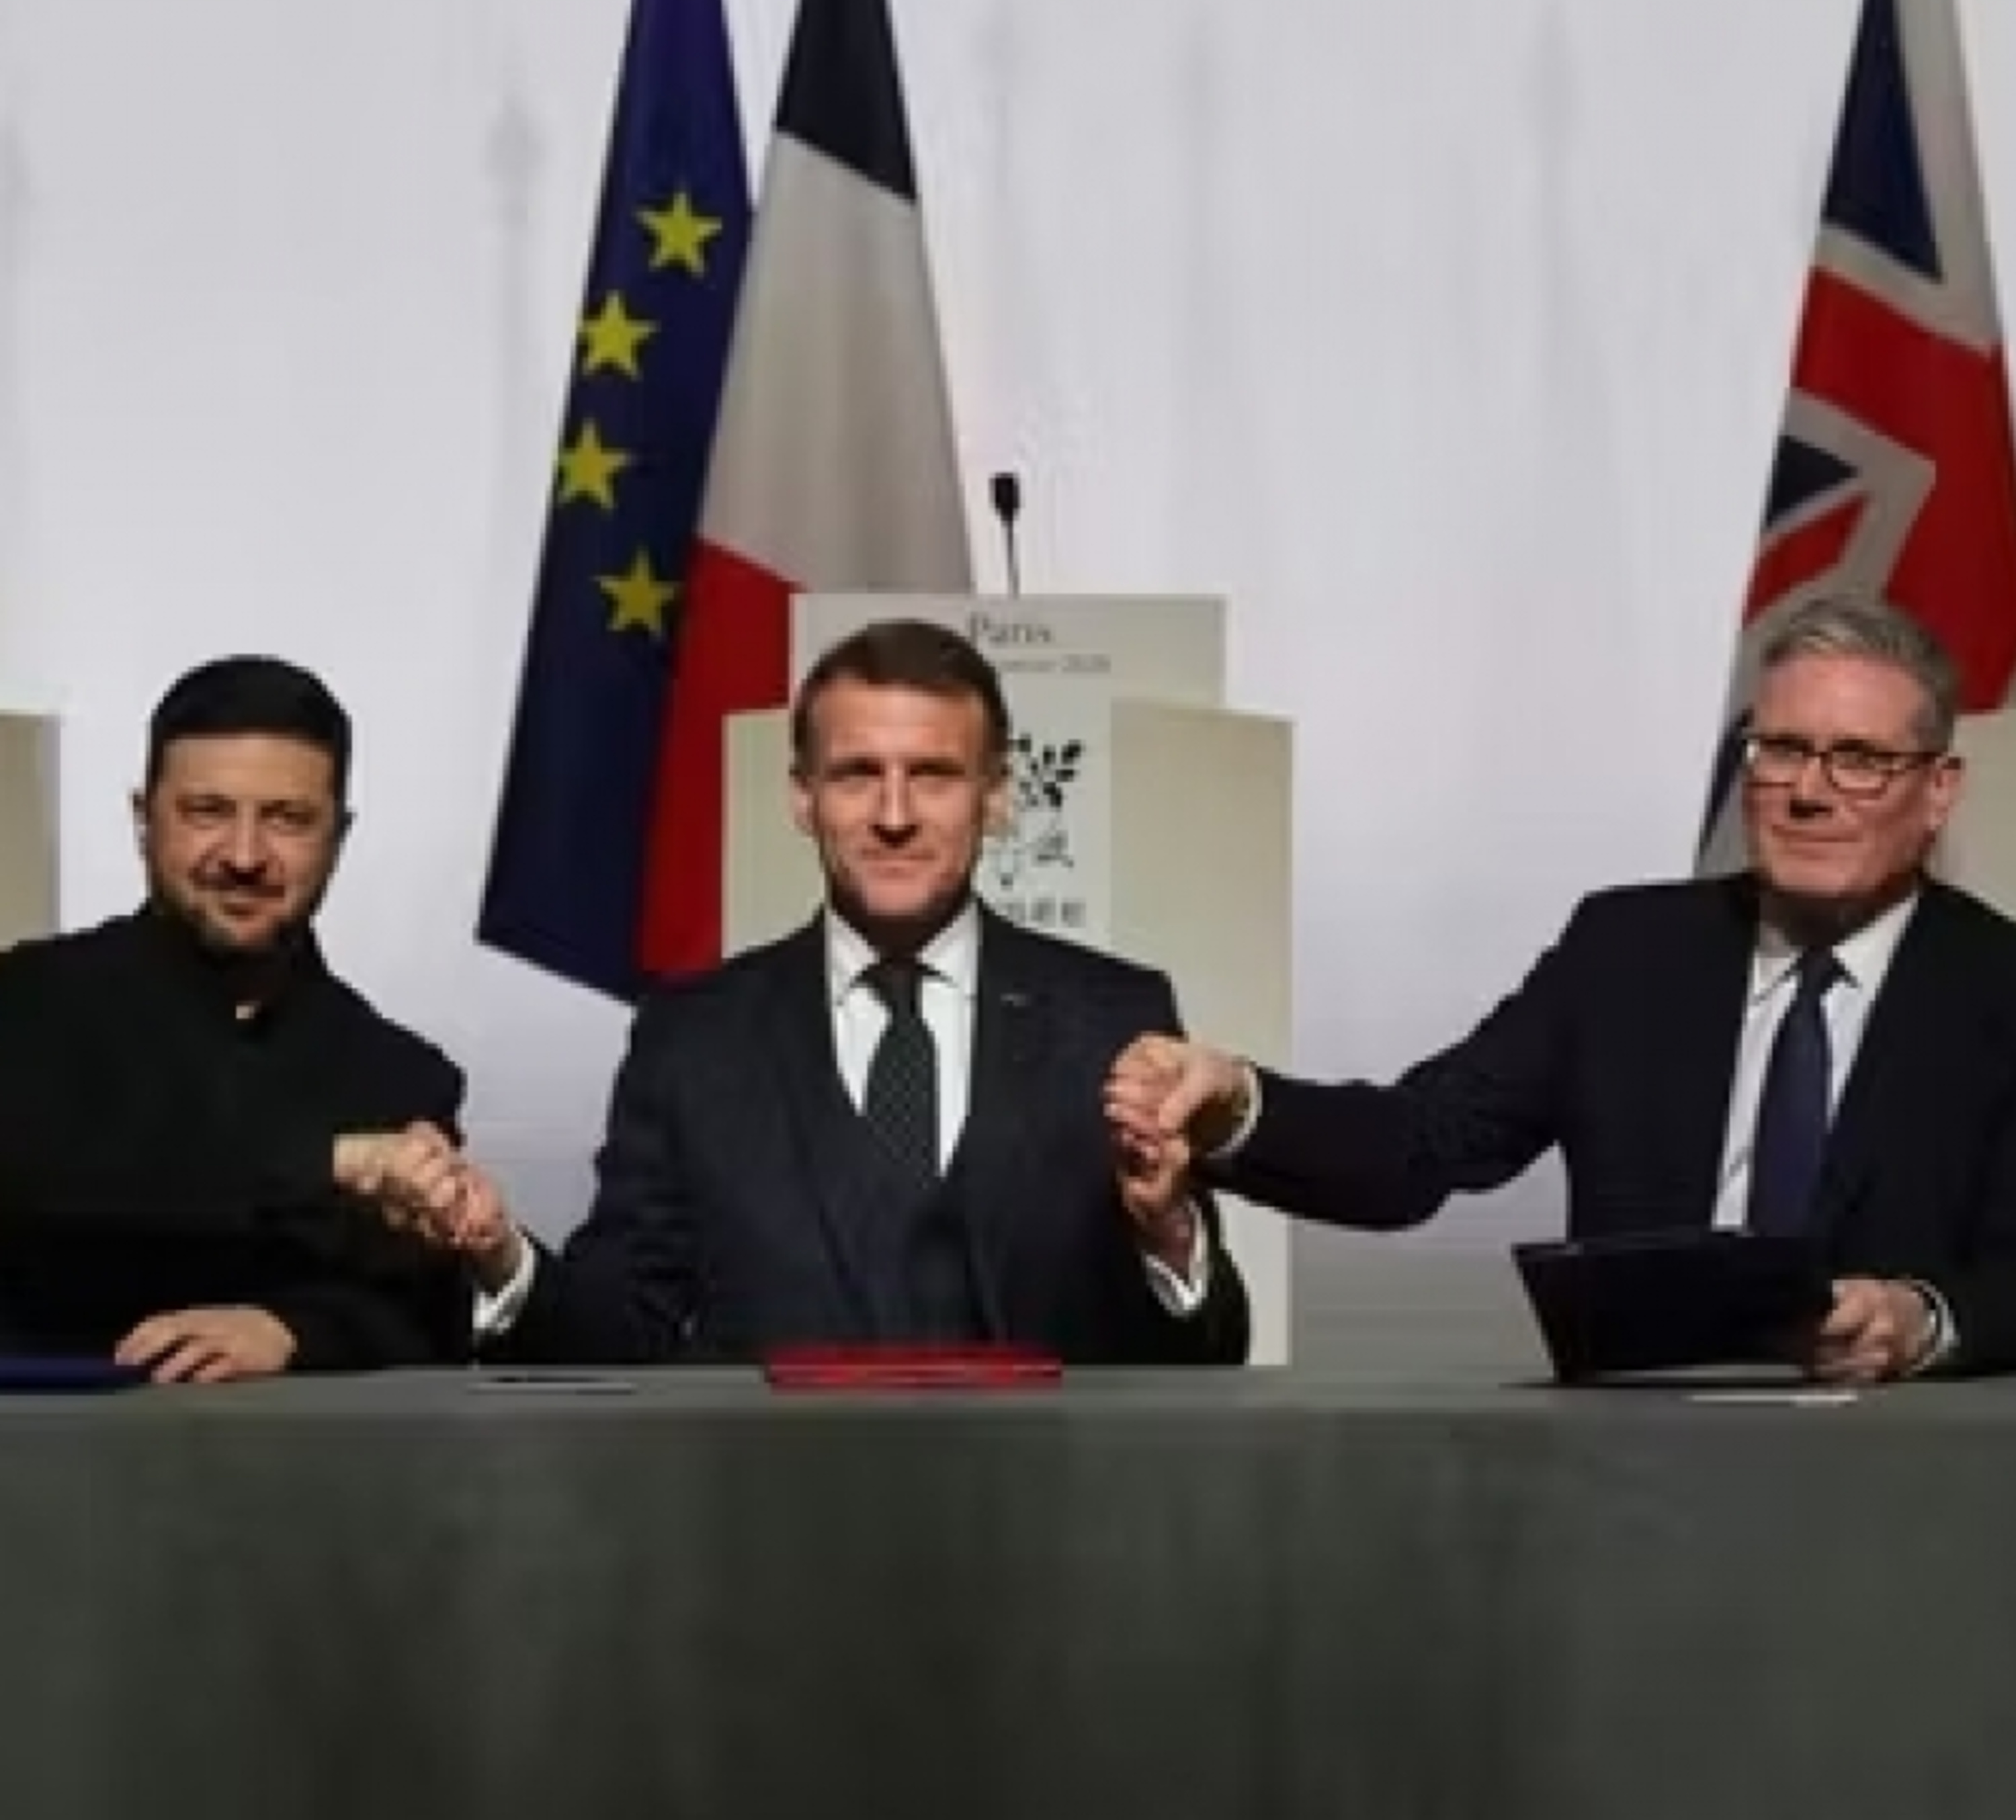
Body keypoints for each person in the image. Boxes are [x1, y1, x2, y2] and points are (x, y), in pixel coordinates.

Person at [1107, 593, 2016, 1381]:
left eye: (1860, 759)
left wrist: (1926, 1321)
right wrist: (1237, 1103)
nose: (1809, 791)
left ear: (1939, 791)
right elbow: (1417, 1145)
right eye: (1781, 749)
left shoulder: (1996, 987)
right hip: (1635, 1467)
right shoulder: (1627, 952)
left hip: (1902, 1475)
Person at [356, 619, 1249, 1364]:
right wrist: (499, 1256)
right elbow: (623, 1331)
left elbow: (1208, 1356)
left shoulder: (1112, 1017)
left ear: (998, 797)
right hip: (767, 1518)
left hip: (1051, 1517)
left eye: (933, 775)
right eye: (857, 773)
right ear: (802, 798)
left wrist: (1170, 1235)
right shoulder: (693, 1037)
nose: (893, 815)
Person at [0, 656, 471, 1380]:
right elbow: (48, 1182)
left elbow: (424, 1314)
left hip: (301, 1455)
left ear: (338, 838)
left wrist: (293, 1332)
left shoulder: (402, 1076)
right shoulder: (25, 1004)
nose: (245, 855)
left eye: (288, 819)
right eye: (208, 812)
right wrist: (327, 1165)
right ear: (143, 820)